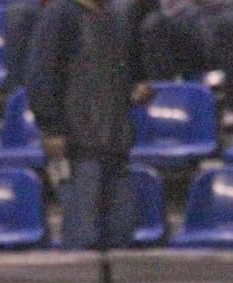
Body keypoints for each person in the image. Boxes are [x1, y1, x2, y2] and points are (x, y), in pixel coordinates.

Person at [25, 0, 153, 250]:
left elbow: (110, 76)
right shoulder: (60, 14)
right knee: (82, 235)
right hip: (77, 148)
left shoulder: (112, 18)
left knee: (121, 232)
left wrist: (133, 90)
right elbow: (40, 75)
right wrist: (52, 128)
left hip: (115, 145)